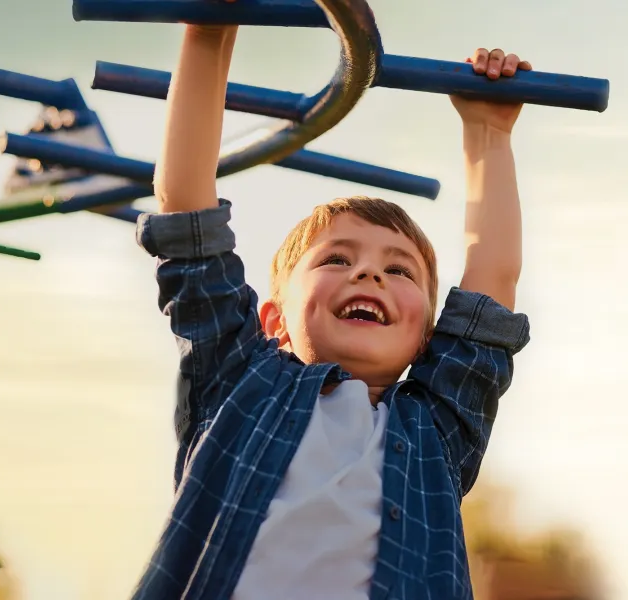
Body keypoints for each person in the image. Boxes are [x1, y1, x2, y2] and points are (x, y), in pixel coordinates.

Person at [132, 19, 532, 600]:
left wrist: (488, 135)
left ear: (428, 338)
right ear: (273, 322)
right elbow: (187, 221)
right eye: (336, 259)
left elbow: (492, 281)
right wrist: (208, 34)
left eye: (398, 270)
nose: (369, 273)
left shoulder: (435, 429)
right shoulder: (239, 382)